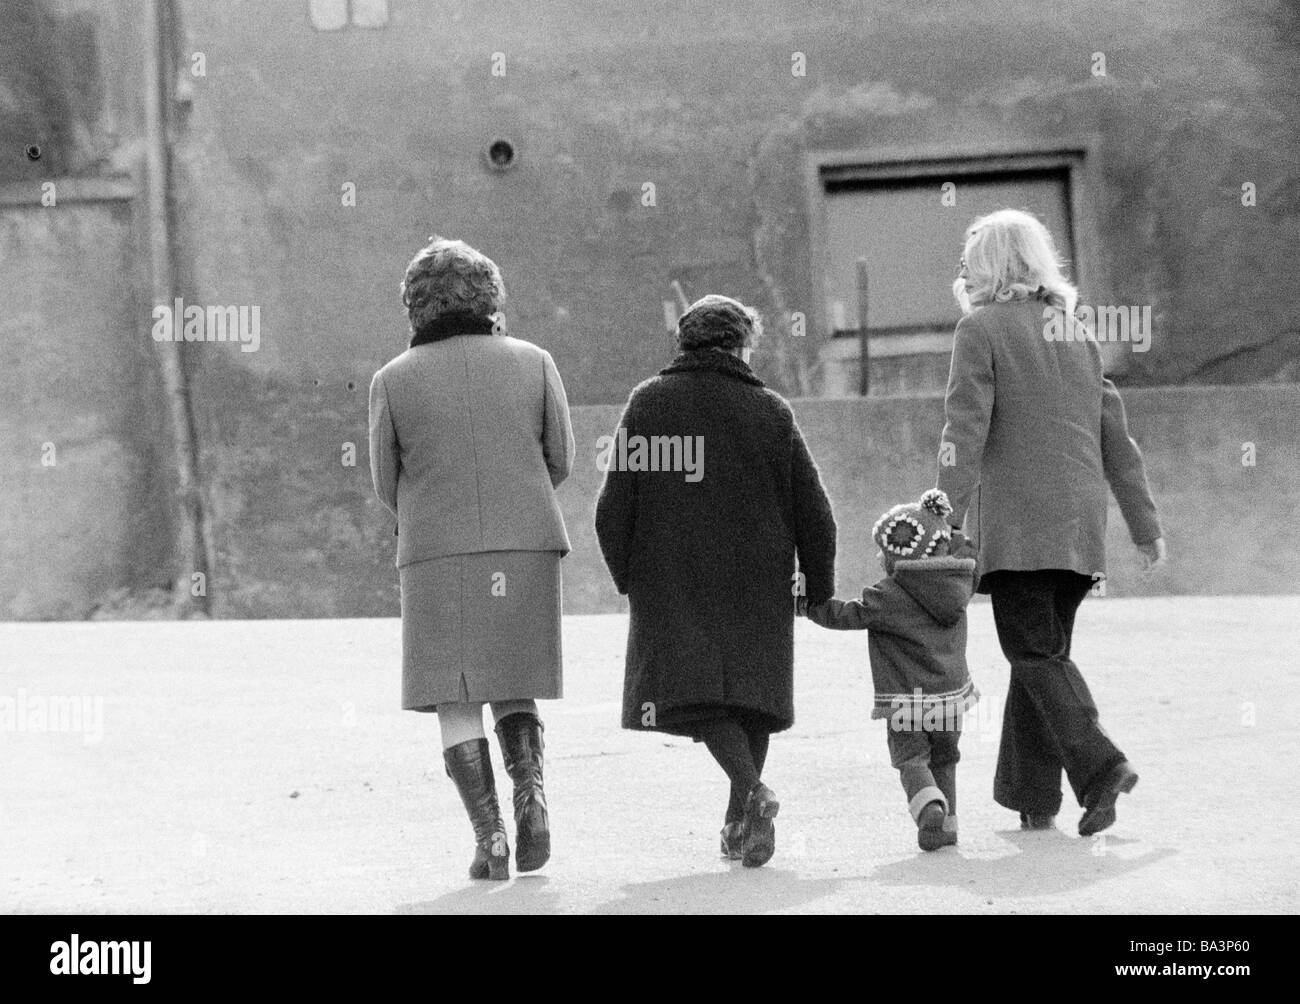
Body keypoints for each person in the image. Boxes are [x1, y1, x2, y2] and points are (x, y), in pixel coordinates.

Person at [937, 209, 1165, 837]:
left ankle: (1102, 765)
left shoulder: (979, 329)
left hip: (1019, 529)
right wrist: (1144, 526)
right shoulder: (1078, 333)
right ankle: (1030, 797)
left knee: (1032, 652)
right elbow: (1117, 440)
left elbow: (965, 429)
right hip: (1078, 531)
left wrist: (941, 509)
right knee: (1043, 657)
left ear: (989, 265)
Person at [595, 294, 837, 868]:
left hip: (672, 581)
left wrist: (628, 574)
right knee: (751, 700)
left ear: (684, 343)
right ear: (742, 346)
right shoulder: (771, 411)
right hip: (760, 581)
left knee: (689, 694)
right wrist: (817, 587)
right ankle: (742, 821)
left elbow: (612, 508)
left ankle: (749, 801)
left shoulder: (650, 404)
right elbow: (816, 512)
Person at [368, 236, 574, 880]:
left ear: (415, 306)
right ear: (491, 297)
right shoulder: (536, 361)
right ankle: (532, 805)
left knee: (454, 697)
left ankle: (491, 841)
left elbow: (384, 479)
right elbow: (560, 458)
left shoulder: (392, 381)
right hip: (525, 544)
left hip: (434, 551)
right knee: (514, 683)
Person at [801, 489, 978, 850]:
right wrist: (950, 535)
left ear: (893, 557)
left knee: (912, 759)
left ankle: (929, 807)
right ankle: (947, 827)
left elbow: (843, 615)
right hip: (951, 701)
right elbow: (968, 550)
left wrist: (806, 605)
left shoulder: (888, 595)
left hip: (907, 702)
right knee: (945, 758)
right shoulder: (961, 583)